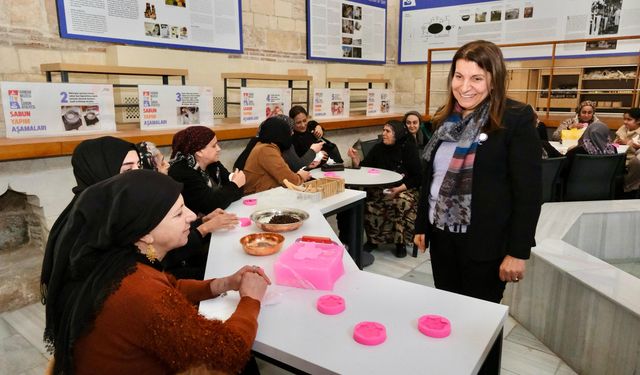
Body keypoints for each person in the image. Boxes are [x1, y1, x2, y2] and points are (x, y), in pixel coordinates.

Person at [42, 170, 270, 374]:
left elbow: (172, 287)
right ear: (145, 234)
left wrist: (222, 284)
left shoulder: (123, 259)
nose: (192, 216)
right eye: (179, 213)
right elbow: (227, 353)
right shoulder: (138, 290)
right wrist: (251, 300)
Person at [413, 40, 541, 374]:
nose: (464, 86)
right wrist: (421, 226)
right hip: (443, 240)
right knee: (449, 316)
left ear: (494, 80)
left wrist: (519, 251)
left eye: (476, 78)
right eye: (459, 76)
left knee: (479, 329)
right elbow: (433, 178)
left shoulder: (515, 119)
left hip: (485, 245)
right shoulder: (446, 119)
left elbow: (528, 192)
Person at [41, 136, 139, 300]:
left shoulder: (112, 206)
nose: (140, 174)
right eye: (128, 170)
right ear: (99, 171)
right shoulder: (91, 220)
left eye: (139, 166)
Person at [137, 140, 238, 279]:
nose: (167, 164)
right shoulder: (146, 207)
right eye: (161, 163)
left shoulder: (212, 166)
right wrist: (204, 228)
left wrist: (203, 220)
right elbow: (166, 258)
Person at [347, 120, 422, 258]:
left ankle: (400, 242)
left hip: (405, 188)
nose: (383, 134)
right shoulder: (379, 148)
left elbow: (418, 176)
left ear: (397, 134)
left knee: (400, 202)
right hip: (382, 187)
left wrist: (399, 188)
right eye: (383, 130)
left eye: (387, 131)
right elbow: (365, 168)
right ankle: (374, 240)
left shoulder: (408, 148)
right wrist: (356, 159)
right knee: (368, 199)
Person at [168, 126, 245, 216]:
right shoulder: (183, 172)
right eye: (213, 146)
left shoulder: (212, 163)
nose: (218, 149)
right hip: (190, 224)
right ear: (199, 152)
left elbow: (237, 192)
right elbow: (210, 206)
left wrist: (233, 187)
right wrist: (234, 185)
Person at [242, 116, 312, 194]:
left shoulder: (265, 146)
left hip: (262, 193)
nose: (291, 134)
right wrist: (301, 176)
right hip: (257, 196)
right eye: (287, 132)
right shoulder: (267, 150)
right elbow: (290, 180)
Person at [234, 115, 324, 172]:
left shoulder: (257, 140)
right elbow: (296, 166)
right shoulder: (274, 146)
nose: (292, 133)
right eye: (290, 130)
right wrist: (313, 150)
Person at [616, 108, 640, 192]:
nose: (625, 122)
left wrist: (628, 144)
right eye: (624, 119)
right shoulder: (623, 129)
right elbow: (614, 143)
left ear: (638, 121)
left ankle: (629, 189)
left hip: (632, 161)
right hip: (618, 157)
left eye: (629, 119)